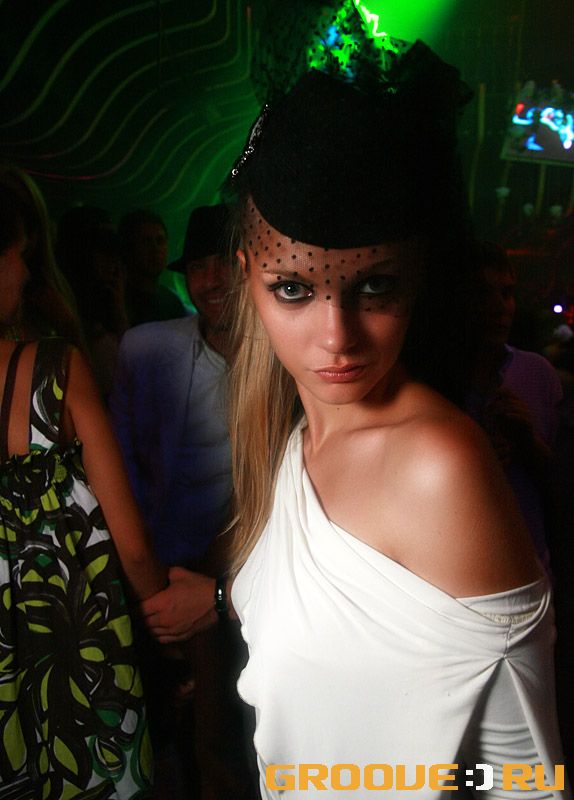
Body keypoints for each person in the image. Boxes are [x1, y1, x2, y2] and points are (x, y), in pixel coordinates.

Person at [143, 13, 570, 800]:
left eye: (375, 286)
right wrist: (222, 598)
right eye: (293, 289)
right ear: (246, 277)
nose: (336, 338)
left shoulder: (438, 466)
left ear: (419, 276)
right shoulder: (290, 437)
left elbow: (524, 777)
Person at [0, 165, 167, 798]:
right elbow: (134, 547)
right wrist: (168, 631)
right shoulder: (55, 368)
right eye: (20, 255)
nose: (25, 271)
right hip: (74, 652)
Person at [110, 203, 256, 800]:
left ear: (250, 269)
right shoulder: (146, 349)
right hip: (151, 574)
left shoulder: (281, 359)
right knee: (149, 738)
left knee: (224, 743)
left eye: (225, 264)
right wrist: (145, 583)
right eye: (198, 266)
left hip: (235, 581)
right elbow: (120, 466)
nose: (211, 280)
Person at [118, 209, 185, 326]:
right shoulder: (119, 302)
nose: (156, 249)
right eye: (146, 242)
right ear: (128, 249)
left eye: (160, 240)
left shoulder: (172, 302)